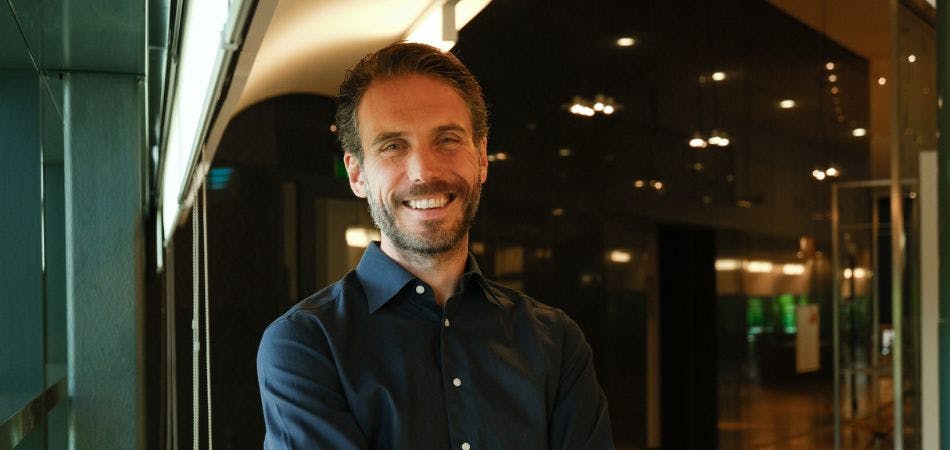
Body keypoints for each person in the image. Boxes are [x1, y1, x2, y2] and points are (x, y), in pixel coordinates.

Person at [257, 41, 614, 450]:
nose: (424, 171)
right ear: (356, 174)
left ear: (481, 157)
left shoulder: (557, 343)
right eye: (393, 146)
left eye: (447, 139)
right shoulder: (305, 345)